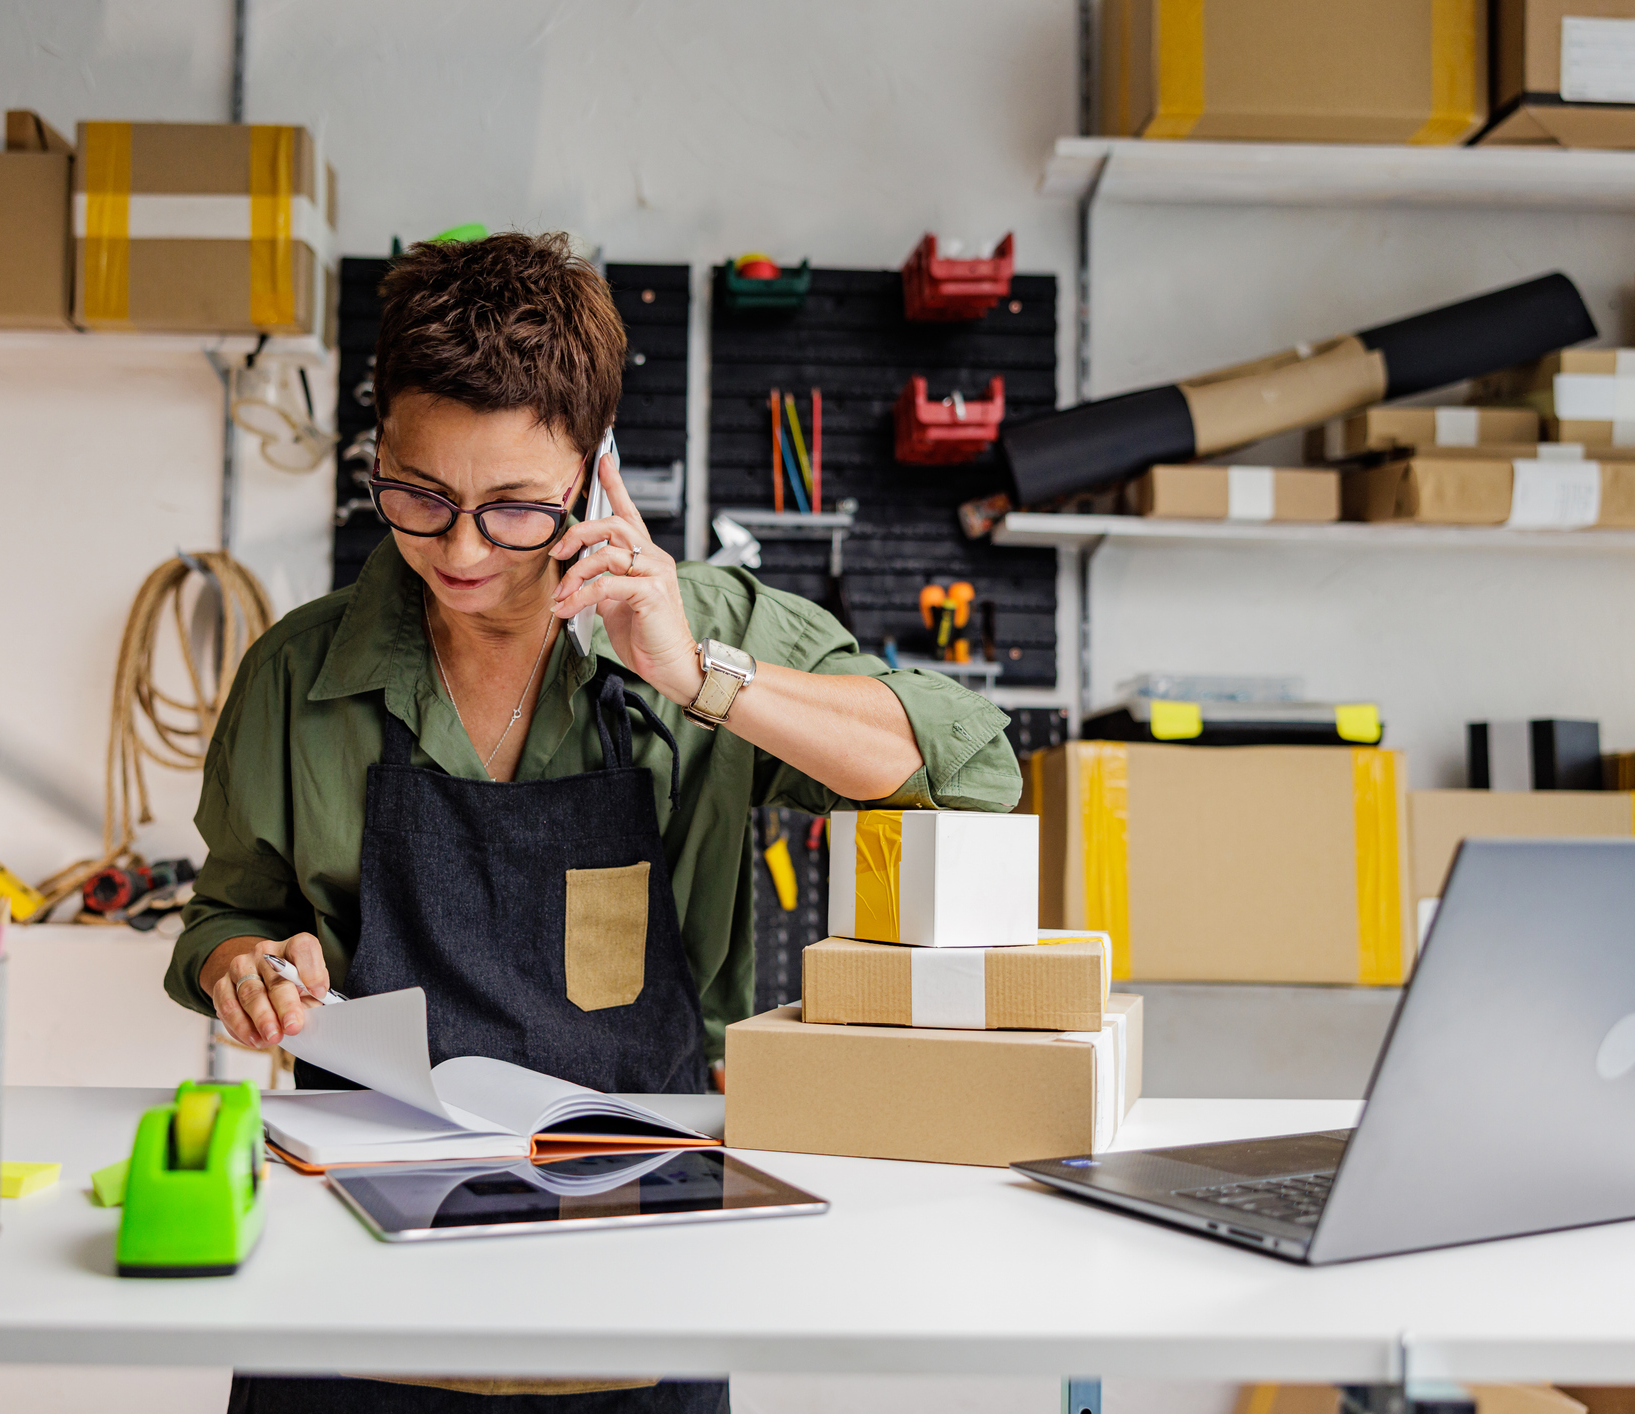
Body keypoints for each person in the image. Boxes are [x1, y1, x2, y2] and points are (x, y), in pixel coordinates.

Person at [165, 232, 1022, 1414]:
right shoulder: (298, 672)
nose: (459, 550)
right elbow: (231, 912)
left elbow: (970, 771)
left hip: (639, 1242)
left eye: (515, 508)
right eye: (417, 494)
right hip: (355, 1266)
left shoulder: (700, 630)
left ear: (593, 471)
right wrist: (246, 967)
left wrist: (697, 675)